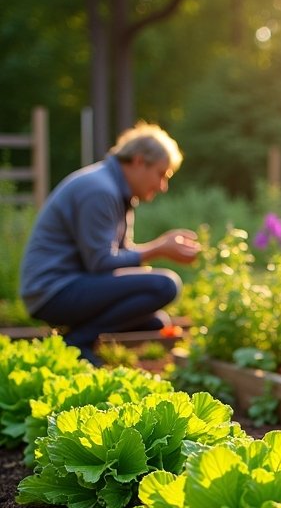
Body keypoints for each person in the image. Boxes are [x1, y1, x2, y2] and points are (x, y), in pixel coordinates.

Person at [19, 121, 201, 365]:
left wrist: (147, 265)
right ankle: (77, 342)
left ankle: (78, 338)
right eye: (161, 174)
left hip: (70, 286)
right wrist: (159, 249)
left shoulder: (118, 192)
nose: (162, 186)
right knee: (166, 285)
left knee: (154, 320)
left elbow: (119, 256)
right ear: (138, 161)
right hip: (53, 291)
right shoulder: (100, 190)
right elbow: (101, 262)